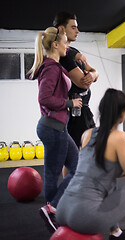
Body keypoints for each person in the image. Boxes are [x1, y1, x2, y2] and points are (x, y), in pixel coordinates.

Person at [56, 89, 125, 240]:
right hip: (85, 217)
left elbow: (101, 172)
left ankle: (115, 232)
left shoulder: (86, 134)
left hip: (62, 210)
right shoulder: (119, 137)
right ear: (122, 113)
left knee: (109, 181)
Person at [27, 27, 81, 233]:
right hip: (53, 128)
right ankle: (51, 210)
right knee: (58, 173)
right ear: (56, 45)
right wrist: (69, 103)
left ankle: (51, 210)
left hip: (57, 127)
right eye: (65, 42)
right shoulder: (50, 68)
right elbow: (45, 98)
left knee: (75, 168)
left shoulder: (54, 66)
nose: (68, 46)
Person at [53, 12, 98, 149]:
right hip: (74, 112)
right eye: (73, 27)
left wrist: (93, 75)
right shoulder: (63, 55)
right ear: (61, 29)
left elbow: (94, 72)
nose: (77, 31)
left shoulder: (72, 51)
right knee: (77, 154)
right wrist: (90, 77)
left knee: (74, 155)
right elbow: (82, 83)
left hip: (82, 109)